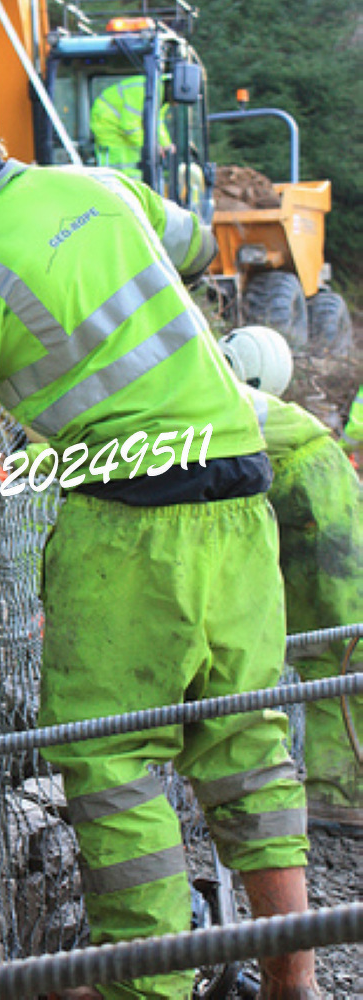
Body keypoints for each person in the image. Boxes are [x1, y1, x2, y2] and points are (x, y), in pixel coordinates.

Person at [0, 62, 316, 998]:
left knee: (112, 756)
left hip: (131, 523)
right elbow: (189, 241)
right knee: (248, 746)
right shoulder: (102, 187)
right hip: (240, 492)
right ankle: (293, 982)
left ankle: (147, 987)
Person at [220, 326, 362, 830]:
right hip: (315, 501)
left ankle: (343, 791)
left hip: (314, 505)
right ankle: (338, 792)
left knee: (341, 649)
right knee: (329, 653)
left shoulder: (220, 398)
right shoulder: (252, 408)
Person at [90, 75, 173, 179]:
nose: (177, 104)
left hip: (120, 129)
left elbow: (157, 123)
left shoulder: (158, 96)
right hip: (109, 126)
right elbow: (129, 127)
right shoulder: (142, 90)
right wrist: (154, 146)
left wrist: (166, 145)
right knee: (117, 169)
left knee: (133, 167)